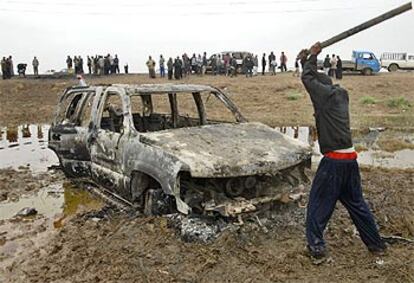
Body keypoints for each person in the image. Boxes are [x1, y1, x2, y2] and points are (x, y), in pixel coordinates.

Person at [298, 42, 386, 261]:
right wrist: (305, 61)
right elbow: (313, 78)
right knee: (357, 205)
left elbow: (308, 79)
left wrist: (313, 54)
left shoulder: (325, 98)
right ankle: (376, 245)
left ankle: (317, 250)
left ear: (321, 92)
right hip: (350, 160)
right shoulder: (339, 94)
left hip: (334, 163)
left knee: (318, 207)